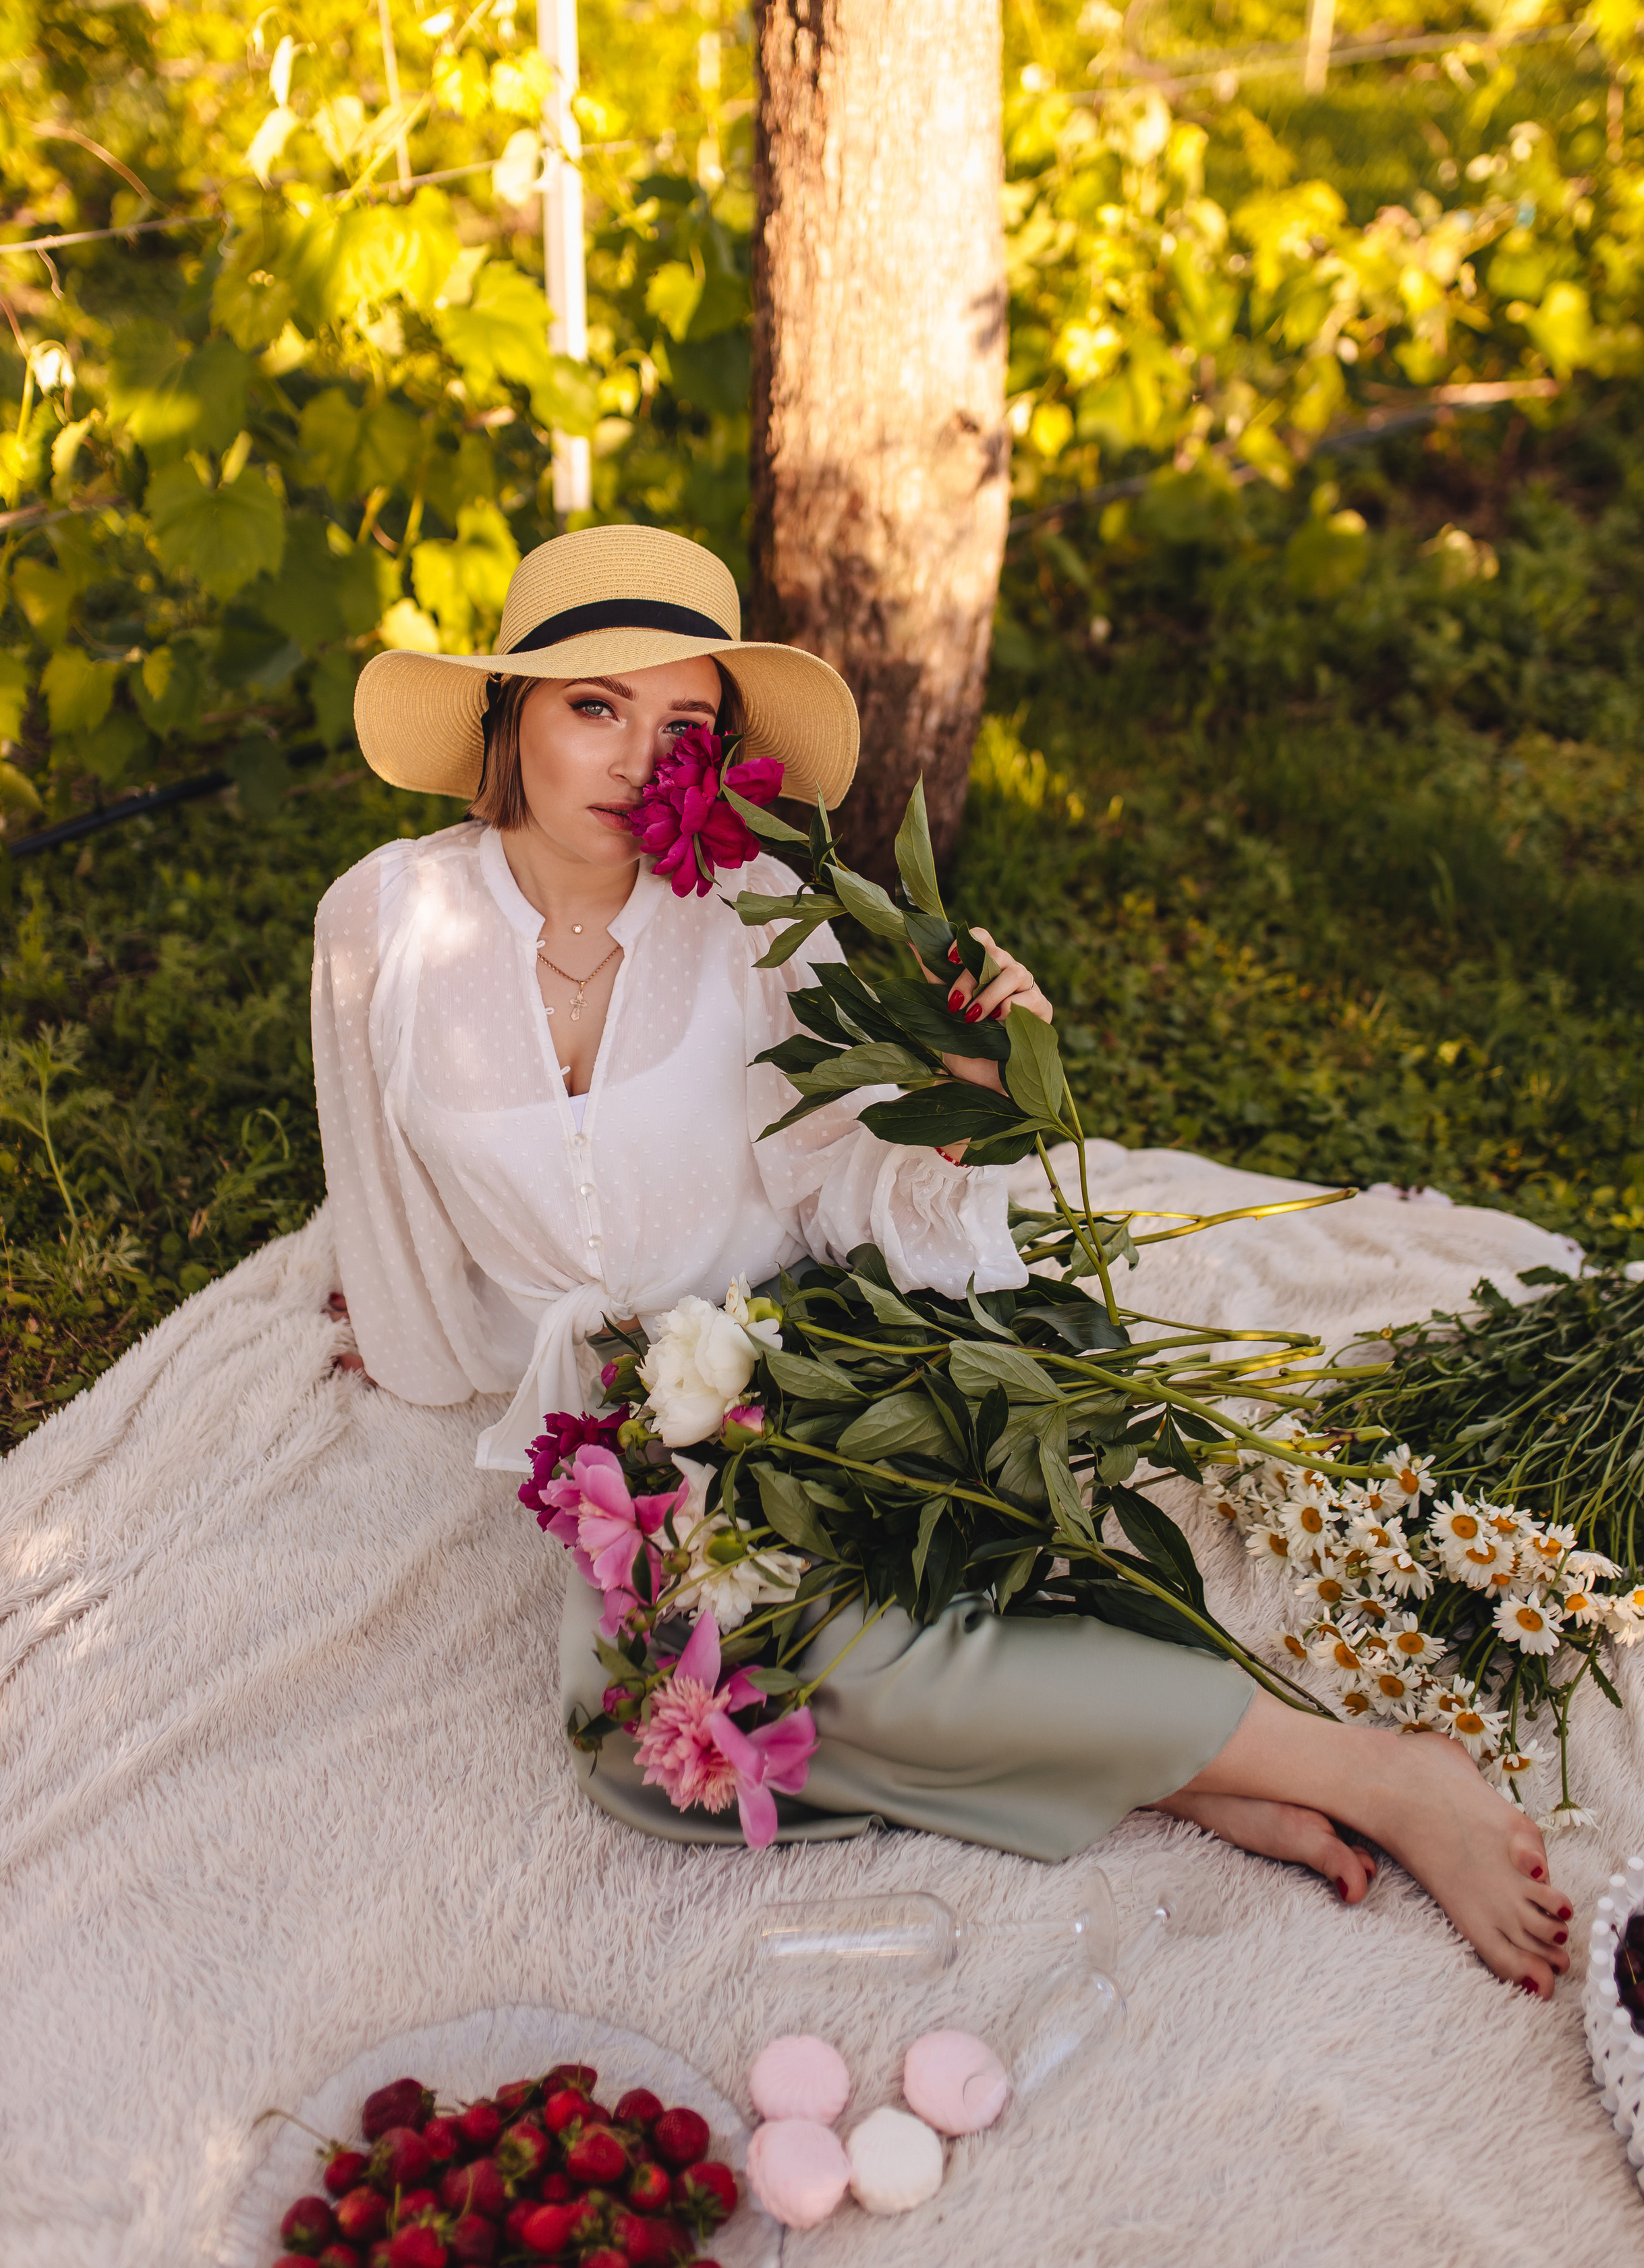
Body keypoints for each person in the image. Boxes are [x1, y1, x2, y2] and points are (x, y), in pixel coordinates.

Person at [312, 522, 1572, 1997]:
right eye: (593, 706)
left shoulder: (748, 922)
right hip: (615, 1425)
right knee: (647, 1756)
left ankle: (1370, 1769)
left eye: (681, 728)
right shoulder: (386, 923)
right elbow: (387, 1205)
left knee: (818, 1658)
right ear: (506, 713)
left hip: (795, 1350)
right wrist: (413, 1355)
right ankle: (1155, 1772)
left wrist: (966, 1100)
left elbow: (841, 1183)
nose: (632, 761)